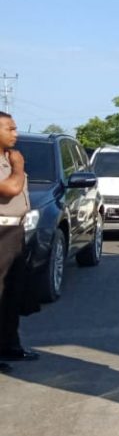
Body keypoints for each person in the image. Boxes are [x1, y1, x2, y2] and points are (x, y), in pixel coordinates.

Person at [0, 111, 32, 371]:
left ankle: (10, 345)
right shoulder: (13, 161)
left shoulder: (7, 158)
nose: (15, 133)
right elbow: (11, 188)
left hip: (15, 231)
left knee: (12, 293)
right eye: (9, 128)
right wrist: (18, 166)